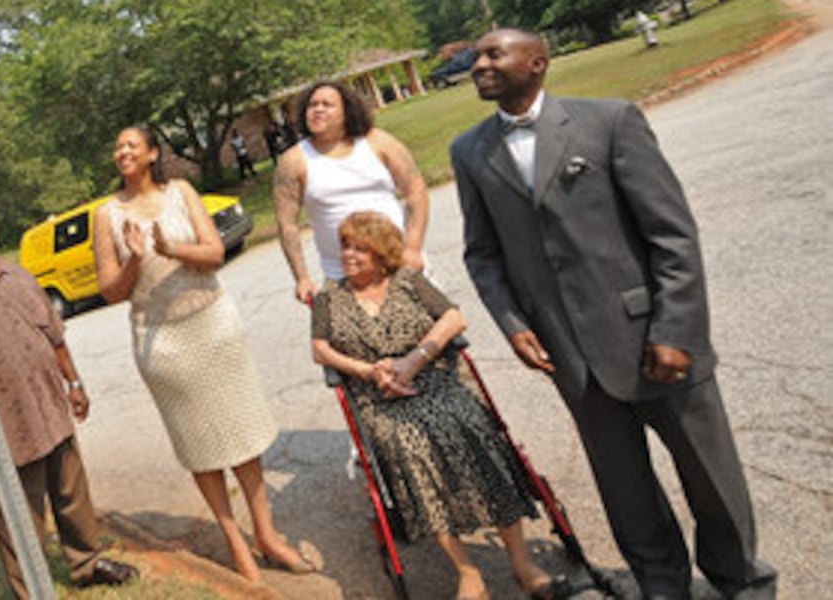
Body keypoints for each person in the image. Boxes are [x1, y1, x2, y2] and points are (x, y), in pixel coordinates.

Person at [450, 28, 777, 600]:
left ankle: (742, 582)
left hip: (654, 341)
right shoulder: (469, 151)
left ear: (538, 62)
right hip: (569, 356)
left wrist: (675, 329)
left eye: (493, 53)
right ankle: (663, 588)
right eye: (476, 57)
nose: (479, 64)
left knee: (710, 476)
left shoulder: (609, 121)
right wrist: (514, 323)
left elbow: (672, 235)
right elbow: (483, 253)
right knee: (626, 493)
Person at [92, 126, 312, 582]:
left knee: (242, 433)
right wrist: (136, 258)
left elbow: (214, 252)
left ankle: (267, 535)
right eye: (117, 147)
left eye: (131, 144)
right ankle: (237, 545)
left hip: (214, 324)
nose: (122, 151)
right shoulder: (106, 215)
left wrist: (169, 247)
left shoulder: (182, 192)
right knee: (200, 445)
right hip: (162, 341)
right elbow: (111, 291)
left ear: (153, 153)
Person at [311, 212, 560, 600]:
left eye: (360, 248)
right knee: (406, 448)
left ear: (382, 254)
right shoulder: (329, 298)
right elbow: (320, 349)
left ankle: (522, 564)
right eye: (345, 246)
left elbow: (454, 318)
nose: (349, 254)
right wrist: (368, 371)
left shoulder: (409, 281)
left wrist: (414, 361)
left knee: (471, 428)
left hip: (435, 380)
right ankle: (468, 573)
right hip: (380, 398)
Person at [0, 204, 138, 598]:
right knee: (17, 514)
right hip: (1, 426)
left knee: (72, 494)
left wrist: (75, 382)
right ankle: (31, 590)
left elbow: (54, 335)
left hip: (50, 407)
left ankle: (86, 563)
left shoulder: (20, 276)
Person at [274, 80, 429, 306]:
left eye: (327, 104)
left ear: (347, 111)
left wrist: (413, 248)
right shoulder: (293, 161)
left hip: (400, 261)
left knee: (437, 333)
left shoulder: (378, 141)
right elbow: (287, 225)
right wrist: (302, 277)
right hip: (344, 276)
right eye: (312, 105)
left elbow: (416, 192)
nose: (317, 109)